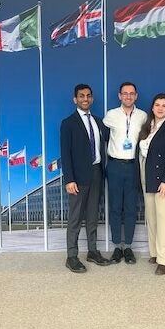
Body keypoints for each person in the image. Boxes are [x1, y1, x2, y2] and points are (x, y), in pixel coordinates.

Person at [60, 84, 110, 273]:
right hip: (78, 178)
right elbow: (66, 153)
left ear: (92, 99)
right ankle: (71, 256)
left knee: (92, 216)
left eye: (88, 96)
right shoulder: (68, 123)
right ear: (75, 99)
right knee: (75, 218)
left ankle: (92, 251)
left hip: (97, 173)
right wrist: (69, 180)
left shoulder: (99, 122)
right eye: (81, 96)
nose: (85, 99)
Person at [103, 82, 148, 264]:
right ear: (119, 96)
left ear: (136, 96)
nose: (128, 97)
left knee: (130, 208)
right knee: (115, 208)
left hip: (132, 166)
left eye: (131, 94)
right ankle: (116, 247)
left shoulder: (143, 116)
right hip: (114, 166)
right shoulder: (111, 115)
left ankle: (128, 247)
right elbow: (104, 137)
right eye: (125, 93)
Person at [136, 93, 165, 275]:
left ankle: (164, 260)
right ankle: (155, 253)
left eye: (164, 105)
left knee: (164, 220)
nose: (160, 108)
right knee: (152, 219)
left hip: (164, 182)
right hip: (148, 177)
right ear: (152, 107)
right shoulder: (148, 126)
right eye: (157, 105)